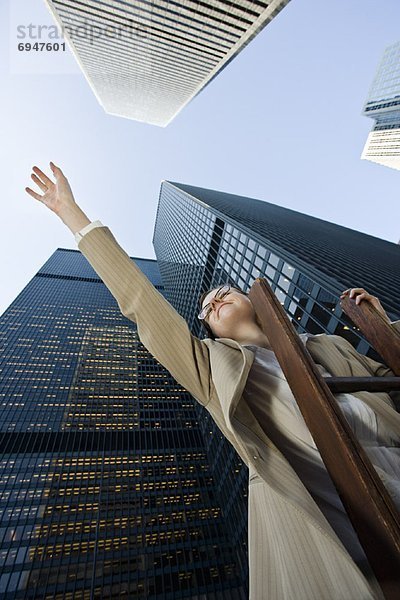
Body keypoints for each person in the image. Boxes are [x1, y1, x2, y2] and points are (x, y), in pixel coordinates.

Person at [25, 163, 400, 600]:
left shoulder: (329, 344)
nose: (214, 300)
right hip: (337, 523)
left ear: (258, 301)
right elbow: (142, 304)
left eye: (223, 291)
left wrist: (383, 327)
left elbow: (390, 380)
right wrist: (72, 214)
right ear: (210, 332)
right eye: (205, 307)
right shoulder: (212, 369)